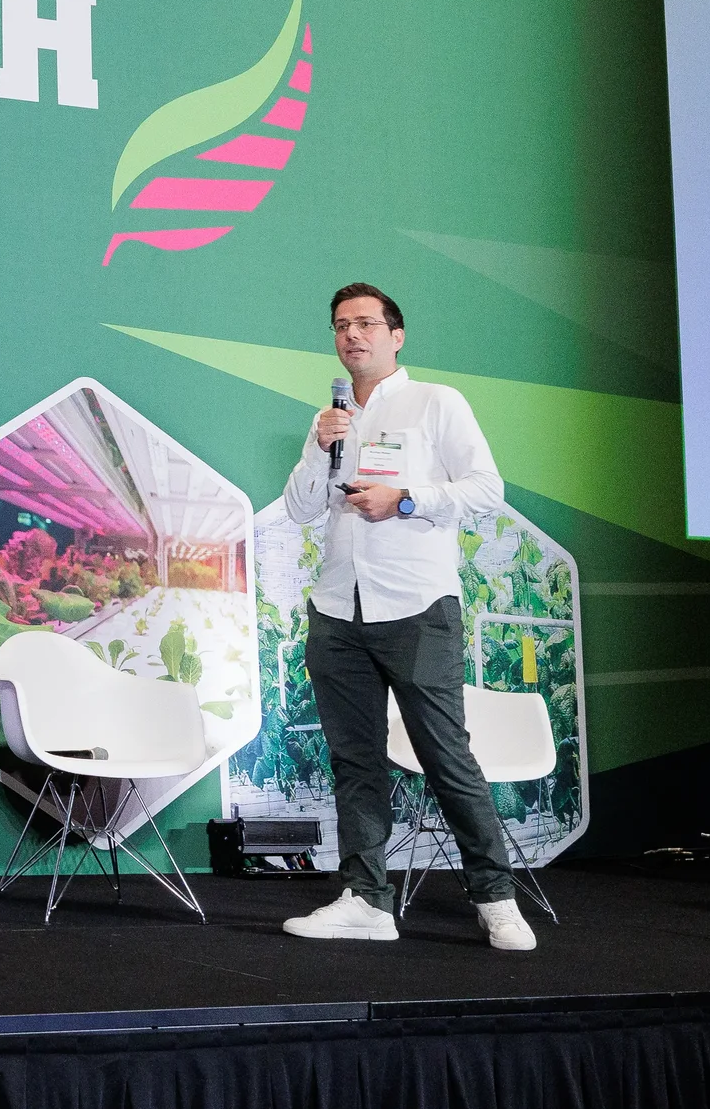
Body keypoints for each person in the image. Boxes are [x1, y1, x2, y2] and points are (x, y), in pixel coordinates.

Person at [279, 284, 535, 951]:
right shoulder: (329, 417)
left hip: (417, 606)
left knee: (446, 754)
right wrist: (316, 445)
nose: (351, 334)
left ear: (397, 335)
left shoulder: (436, 403)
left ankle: (497, 897)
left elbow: (487, 490)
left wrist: (406, 500)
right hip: (338, 609)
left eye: (365, 323)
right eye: (340, 325)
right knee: (354, 760)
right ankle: (366, 898)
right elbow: (304, 508)